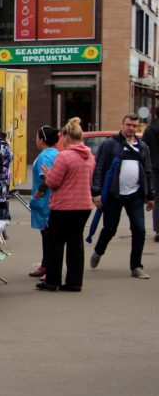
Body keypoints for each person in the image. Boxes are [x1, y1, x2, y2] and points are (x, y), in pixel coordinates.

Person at [90, 114, 154, 279]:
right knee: (110, 229)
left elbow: (148, 171)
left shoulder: (143, 147)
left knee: (139, 230)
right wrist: (96, 192)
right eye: (128, 125)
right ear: (122, 124)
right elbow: (98, 168)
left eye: (134, 126)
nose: (131, 128)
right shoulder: (110, 144)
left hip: (136, 195)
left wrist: (150, 195)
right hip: (113, 195)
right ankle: (98, 251)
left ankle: (136, 267)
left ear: (137, 127)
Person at [34, 117, 95, 291]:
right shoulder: (89, 156)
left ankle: (52, 281)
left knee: (56, 244)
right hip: (83, 205)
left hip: (63, 206)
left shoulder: (64, 156)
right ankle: (75, 282)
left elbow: (54, 182)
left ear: (67, 137)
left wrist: (48, 175)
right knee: (76, 244)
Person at [28, 126, 61, 278]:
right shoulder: (56, 153)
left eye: (37, 137)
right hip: (52, 200)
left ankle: (49, 268)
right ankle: (45, 264)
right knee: (47, 236)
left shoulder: (44, 156)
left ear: (42, 140)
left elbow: (46, 180)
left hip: (45, 202)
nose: (36, 139)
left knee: (49, 237)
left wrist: (35, 196)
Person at [140, 107, 159, 242]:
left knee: (157, 199)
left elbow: (143, 148)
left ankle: (158, 230)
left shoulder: (150, 129)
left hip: (154, 167)